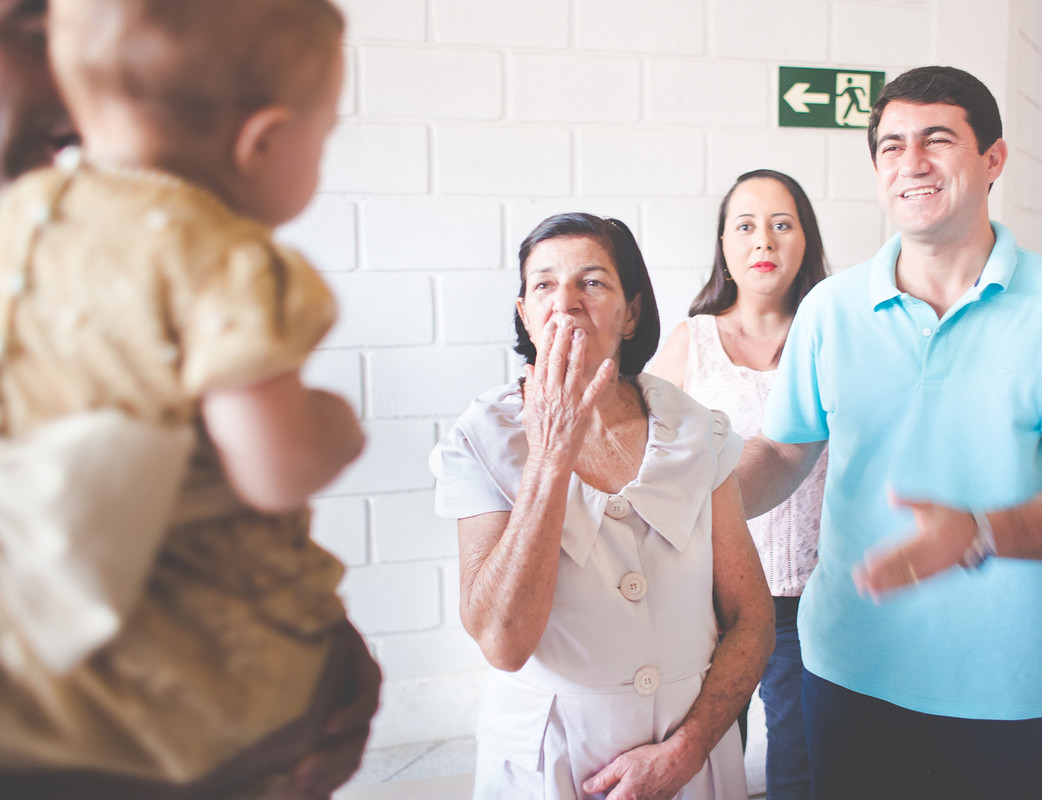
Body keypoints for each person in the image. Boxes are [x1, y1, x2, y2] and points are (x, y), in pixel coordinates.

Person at [0, 1, 380, 797]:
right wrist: (336, 427)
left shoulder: (22, 215)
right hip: (202, 694)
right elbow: (275, 467)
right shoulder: (220, 256)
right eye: (327, 132)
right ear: (264, 141)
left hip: (42, 675)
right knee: (340, 680)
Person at [738, 66, 1042, 800]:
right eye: (891, 146)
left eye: (937, 139)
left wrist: (978, 531)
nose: (911, 162)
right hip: (848, 664)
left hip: (1003, 683)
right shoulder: (830, 308)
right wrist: (683, 500)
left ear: (993, 159)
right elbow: (781, 452)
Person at [430, 212, 774, 800]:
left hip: (690, 761)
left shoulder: (693, 427)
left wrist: (687, 749)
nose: (565, 303)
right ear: (524, 313)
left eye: (592, 282)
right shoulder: (480, 437)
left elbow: (752, 619)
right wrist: (549, 454)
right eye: (543, 285)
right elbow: (503, 641)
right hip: (551, 765)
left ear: (631, 312)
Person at [650, 168, 828, 800]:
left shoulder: (832, 337)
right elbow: (646, 463)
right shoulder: (691, 343)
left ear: (806, 240)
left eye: (783, 226)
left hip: (813, 594)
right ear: (723, 244)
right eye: (746, 226)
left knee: (800, 761)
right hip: (709, 592)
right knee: (715, 755)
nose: (765, 243)